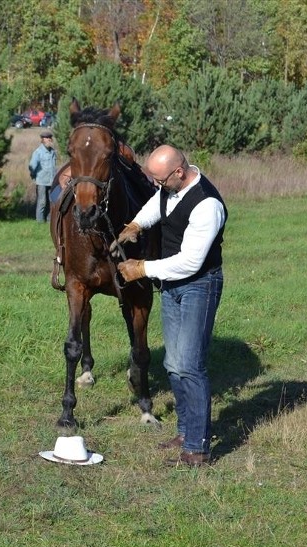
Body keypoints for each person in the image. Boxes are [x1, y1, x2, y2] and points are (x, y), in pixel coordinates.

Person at [113, 145, 228, 467]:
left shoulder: (207, 205)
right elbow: (158, 203)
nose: (157, 185)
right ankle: (184, 431)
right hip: (171, 286)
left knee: (190, 366)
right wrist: (136, 225)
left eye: (161, 179)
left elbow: (191, 263)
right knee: (173, 364)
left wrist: (143, 268)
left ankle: (198, 448)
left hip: (198, 286)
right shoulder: (169, 188)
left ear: (179, 172)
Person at [29, 131, 57, 223]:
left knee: (51, 201)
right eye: (47, 138)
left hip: (51, 181)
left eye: (50, 138)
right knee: (42, 202)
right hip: (41, 181)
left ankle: (49, 220)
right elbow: (32, 166)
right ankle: (40, 221)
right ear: (42, 140)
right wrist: (34, 177)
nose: (49, 139)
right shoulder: (38, 152)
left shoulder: (53, 152)